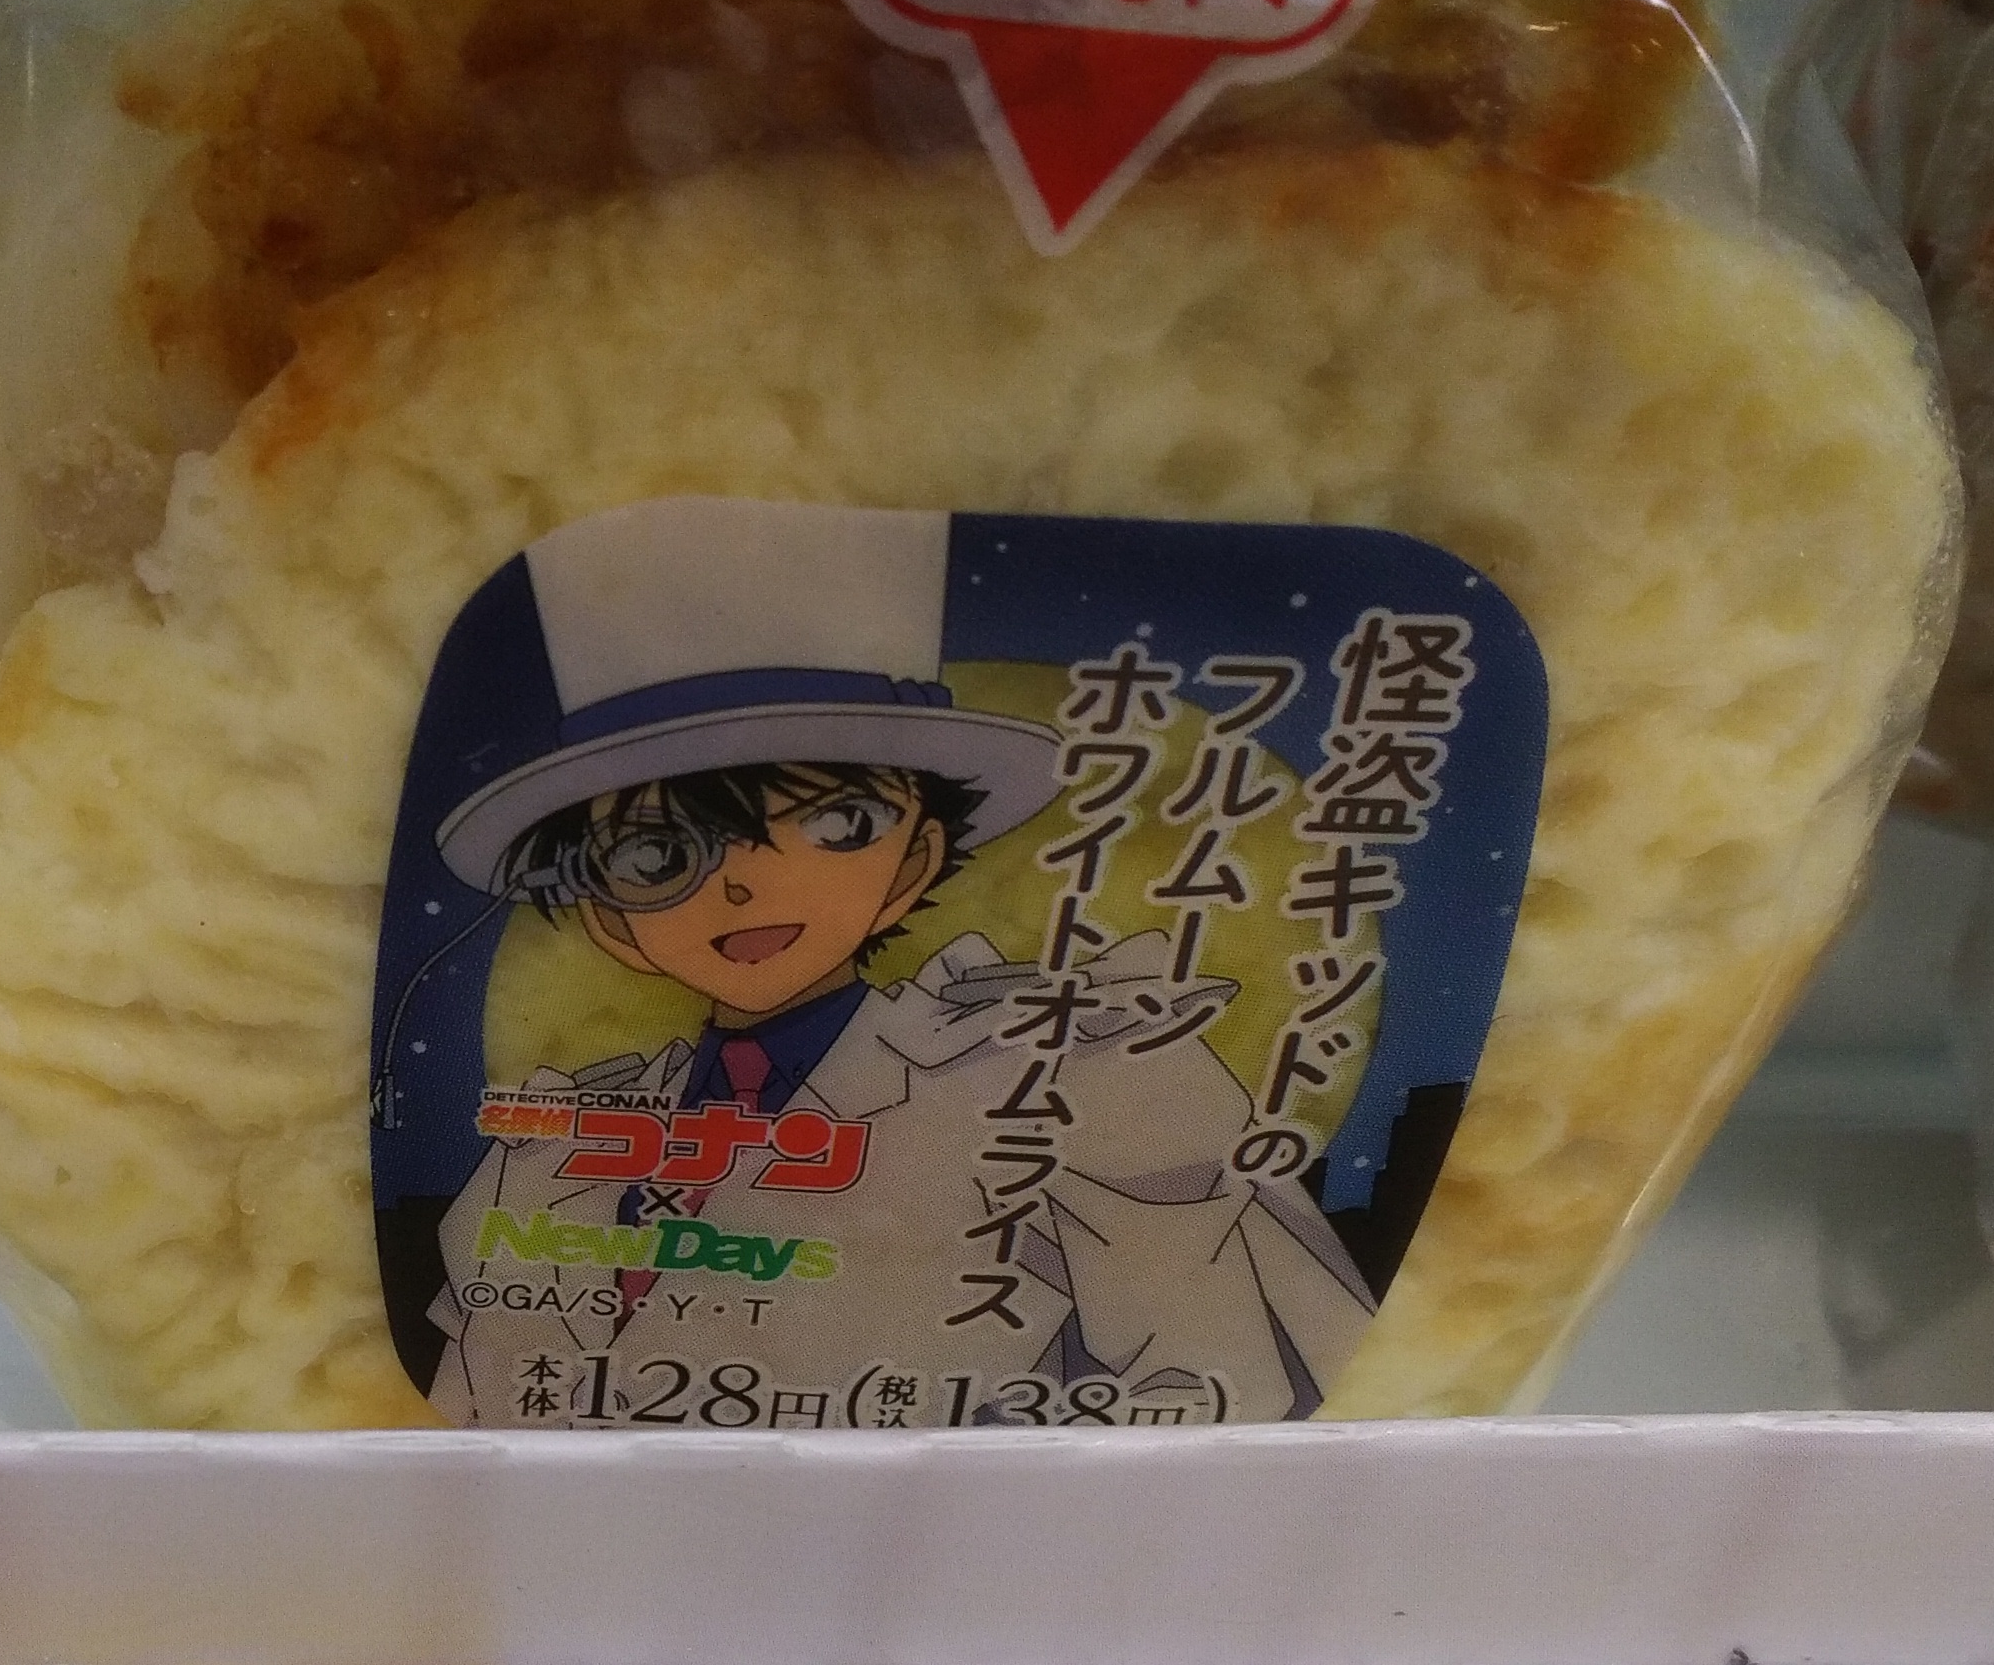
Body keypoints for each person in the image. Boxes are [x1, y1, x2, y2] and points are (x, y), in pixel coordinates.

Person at [426, 500, 1379, 1428]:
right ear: (609, 920)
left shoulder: (1077, 1075)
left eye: (837, 825)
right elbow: (466, 1413)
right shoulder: (549, 1145)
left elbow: (1229, 1388)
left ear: (914, 862)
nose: (747, 886)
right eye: (657, 856)